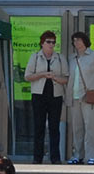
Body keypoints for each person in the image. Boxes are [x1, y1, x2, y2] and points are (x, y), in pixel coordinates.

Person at [23, 30, 67, 165]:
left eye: (53, 42)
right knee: (39, 127)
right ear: (42, 43)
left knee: (54, 127)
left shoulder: (60, 58)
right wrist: (42, 74)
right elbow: (27, 76)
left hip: (55, 96)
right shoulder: (35, 57)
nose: (51, 45)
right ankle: (38, 157)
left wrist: (55, 77)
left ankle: (55, 157)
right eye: (48, 42)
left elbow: (66, 78)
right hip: (39, 96)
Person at [67, 31, 94, 164]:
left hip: (89, 97)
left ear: (85, 41)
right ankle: (78, 155)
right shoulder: (72, 58)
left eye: (78, 40)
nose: (76, 43)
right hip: (74, 97)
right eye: (74, 40)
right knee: (77, 128)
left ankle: (91, 155)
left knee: (90, 126)